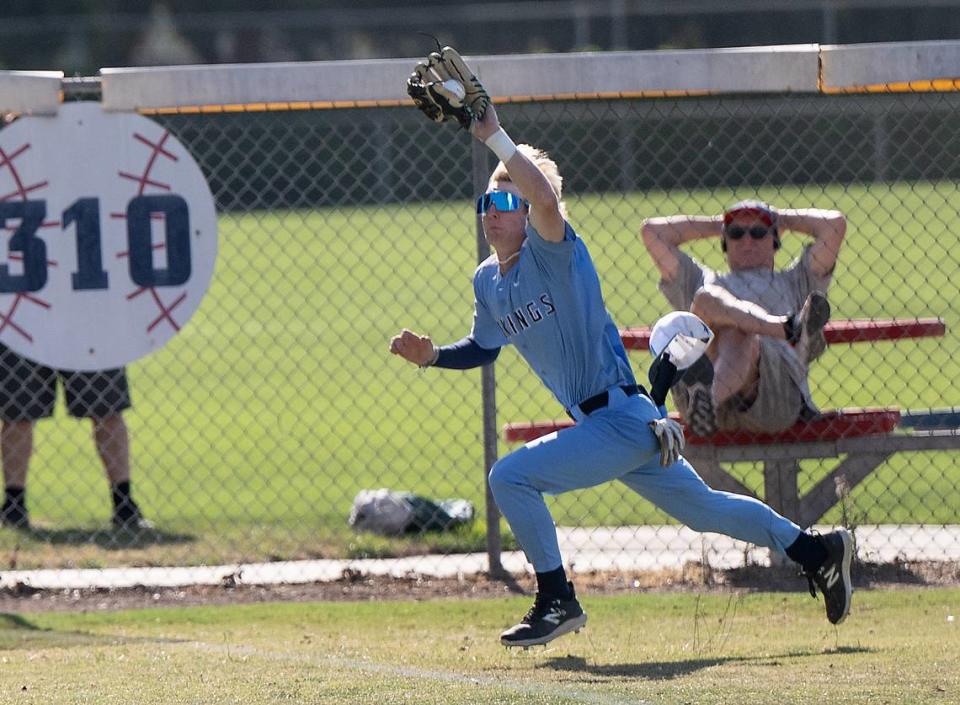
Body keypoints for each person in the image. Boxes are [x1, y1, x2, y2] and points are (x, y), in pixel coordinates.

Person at [390, 96, 853, 648]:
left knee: (509, 477)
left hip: (618, 419)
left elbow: (541, 194)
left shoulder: (554, 250)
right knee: (705, 510)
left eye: (507, 199)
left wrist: (495, 136)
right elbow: (483, 347)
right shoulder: (487, 280)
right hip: (625, 422)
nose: (494, 208)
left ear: (533, 210)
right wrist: (434, 356)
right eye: (488, 199)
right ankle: (817, 551)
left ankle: (557, 598)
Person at [641, 202, 846, 436]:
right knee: (706, 297)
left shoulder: (794, 282)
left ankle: (708, 398)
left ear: (775, 240)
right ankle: (786, 328)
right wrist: (720, 223)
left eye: (758, 233)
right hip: (705, 406)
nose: (747, 241)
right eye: (736, 233)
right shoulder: (702, 279)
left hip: (775, 399)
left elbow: (835, 226)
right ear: (725, 241)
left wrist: (781, 219)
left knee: (740, 333)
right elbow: (652, 232)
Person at [0, 344, 151, 532]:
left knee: (107, 409)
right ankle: (13, 506)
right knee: (17, 413)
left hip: (87, 325)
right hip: (25, 322)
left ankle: (124, 505)